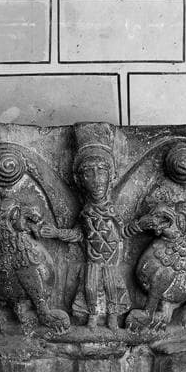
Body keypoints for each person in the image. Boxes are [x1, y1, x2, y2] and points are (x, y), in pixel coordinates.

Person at [40, 123, 145, 331]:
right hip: (93, 261)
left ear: (112, 176)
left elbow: (123, 233)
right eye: (88, 173)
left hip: (110, 263)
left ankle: (113, 318)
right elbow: (78, 235)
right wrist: (56, 233)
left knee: (112, 288)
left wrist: (141, 224)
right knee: (89, 288)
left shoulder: (112, 213)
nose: (96, 180)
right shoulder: (86, 213)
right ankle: (92, 318)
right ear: (79, 180)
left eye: (101, 172)